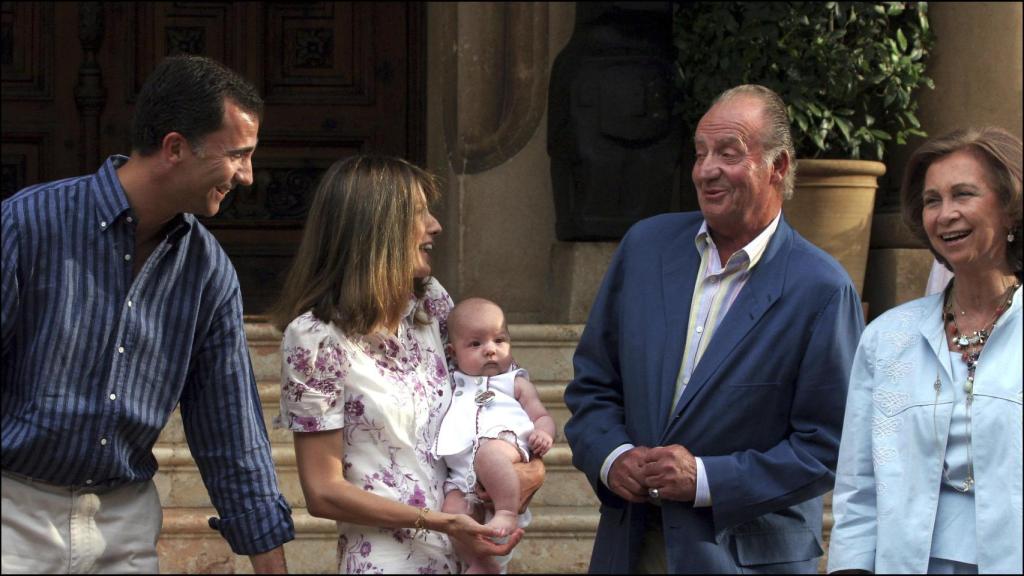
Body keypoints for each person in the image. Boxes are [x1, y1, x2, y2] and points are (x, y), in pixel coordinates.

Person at [1, 55, 292, 573]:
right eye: (238, 155)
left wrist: (271, 564)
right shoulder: (28, 224)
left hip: (126, 524)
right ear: (175, 148)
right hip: (11, 513)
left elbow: (231, 428)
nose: (247, 176)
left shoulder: (208, 270)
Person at [563, 84, 865, 573]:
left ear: (779, 167)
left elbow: (828, 445)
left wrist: (706, 478)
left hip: (745, 557)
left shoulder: (822, 287)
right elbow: (594, 384)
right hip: (632, 544)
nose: (706, 170)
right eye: (700, 153)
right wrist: (612, 456)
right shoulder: (646, 247)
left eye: (729, 153)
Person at [271, 155, 543, 574]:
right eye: (419, 213)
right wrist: (439, 522)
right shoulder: (314, 339)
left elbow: (494, 399)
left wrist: (529, 469)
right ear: (376, 227)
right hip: (387, 560)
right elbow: (323, 492)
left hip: (469, 552)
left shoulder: (431, 304)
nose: (435, 225)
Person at [828, 127, 1023, 574]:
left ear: (1011, 207)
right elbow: (859, 485)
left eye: (963, 194)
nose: (945, 214)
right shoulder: (887, 337)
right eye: (932, 200)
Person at [435, 297, 556, 573]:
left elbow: (541, 415)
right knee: (452, 512)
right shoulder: (452, 381)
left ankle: (506, 512)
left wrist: (543, 433)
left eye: (499, 340)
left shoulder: (516, 382)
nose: (490, 350)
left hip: (505, 443)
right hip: (461, 472)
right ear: (453, 353)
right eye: (476, 344)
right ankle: (482, 563)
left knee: (489, 455)